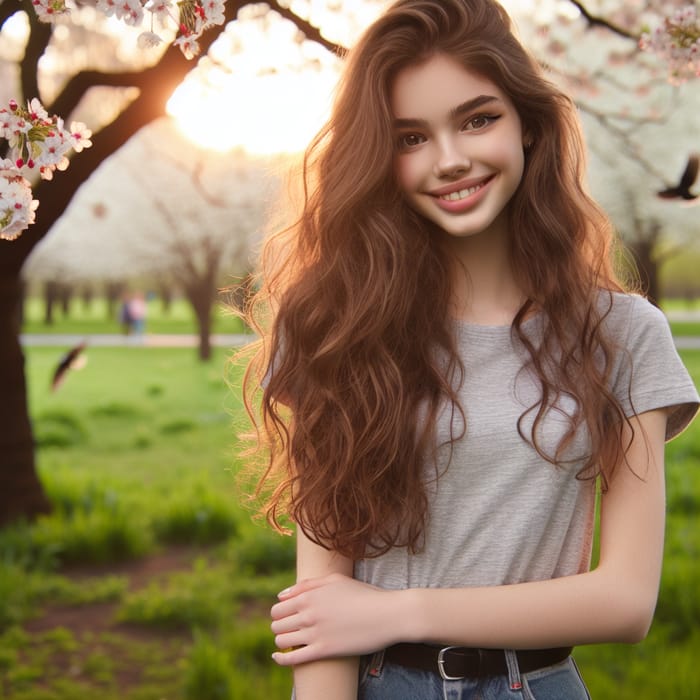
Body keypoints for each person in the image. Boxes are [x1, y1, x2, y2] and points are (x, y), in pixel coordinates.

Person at [242, 1, 700, 698]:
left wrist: (398, 610)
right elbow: (324, 607)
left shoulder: (623, 333)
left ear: (528, 125)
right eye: (410, 138)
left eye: (478, 119)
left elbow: (627, 601)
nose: (450, 160)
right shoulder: (334, 328)